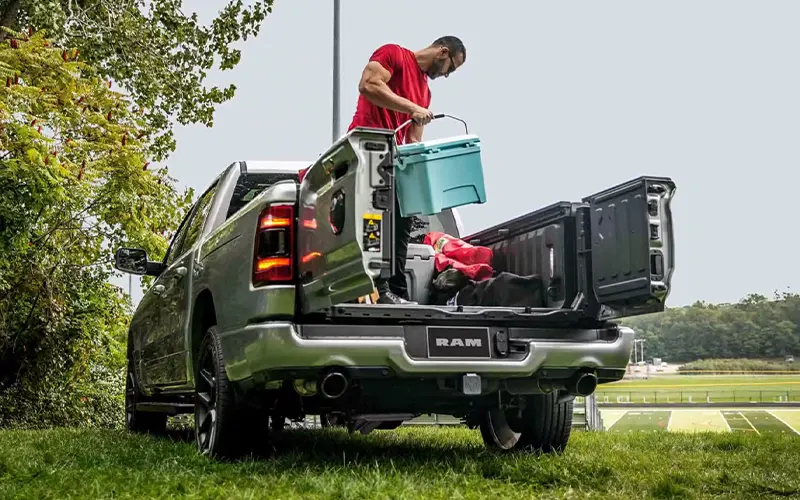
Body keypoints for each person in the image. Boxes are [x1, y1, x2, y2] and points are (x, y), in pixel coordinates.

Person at [348, 36, 467, 304]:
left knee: (402, 221)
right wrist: (412, 108)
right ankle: (376, 285)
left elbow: (413, 141)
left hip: (395, 162)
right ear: (442, 52)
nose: (447, 75)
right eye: (450, 68)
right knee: (375, 221)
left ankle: (396, 291)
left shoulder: (425, 93)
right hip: (368, 150)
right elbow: (368, 85)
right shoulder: (394, 55)